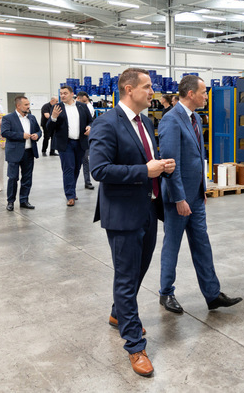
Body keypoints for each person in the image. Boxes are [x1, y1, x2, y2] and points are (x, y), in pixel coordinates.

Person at [89, 68, 175, 377]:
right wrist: (145, 171)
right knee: (126, 277)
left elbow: (144, 160)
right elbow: (99, 170)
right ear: (129, 89)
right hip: (123, 215)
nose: (152, 91)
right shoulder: (106, 124)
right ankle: (134, 345)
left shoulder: (144, 122)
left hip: (148, 209)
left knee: (138, 270)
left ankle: (118, 314)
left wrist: (160, 167)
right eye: (147, 86)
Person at [158, 75, 242, 314]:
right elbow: (170, 163)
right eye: (204, 92)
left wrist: (201, 189)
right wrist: (179, 198)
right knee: (172, 245)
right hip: (178, 198)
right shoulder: (171, 120)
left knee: (202, 244)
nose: (207, 96)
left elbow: (196, 158)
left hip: (195, 195)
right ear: (191, 94)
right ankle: (166, 293)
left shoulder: (195, 117)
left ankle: (212, 294)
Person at [48, 86, 93, 206]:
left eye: (65, 93)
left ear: (72, 94)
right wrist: (53, 117)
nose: (62, 95)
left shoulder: (82, 106)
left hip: (80, 142)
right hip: (65, 143)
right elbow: (49, 128)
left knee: (76, 168)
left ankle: (71, 190)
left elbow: (91, 120)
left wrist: (90, 127)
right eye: (61, 93)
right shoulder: (57, 108)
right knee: (68, 168)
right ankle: (70, 196)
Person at [1, 96, 42, 211]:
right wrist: (21, 135)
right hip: (14, 152)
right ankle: (10, 201)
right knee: (13, 178)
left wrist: (37, 135)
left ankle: (24, 200)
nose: (28, 106)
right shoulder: (8, 118)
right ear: (18, 106)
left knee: (27, 178)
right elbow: (5, 133)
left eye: (29, 104)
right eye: (26, 105)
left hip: (29, 152)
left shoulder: (32, 118)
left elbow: (39, 130)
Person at [76, 91, 95, 191]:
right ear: (78, 98)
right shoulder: (71, 109)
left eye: (86, 101)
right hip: (72, 141)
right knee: (73, 165)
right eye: (84, 101)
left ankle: (87, 181)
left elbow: (90, 121)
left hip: (84, 138)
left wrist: (89, 126)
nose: (85, 103)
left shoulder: (87, 108)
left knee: (85, 160)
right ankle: (71, 187)